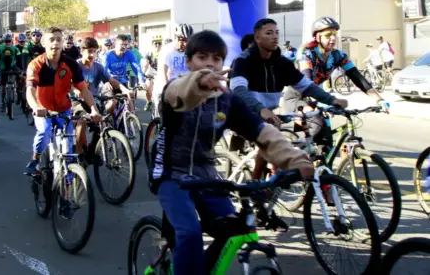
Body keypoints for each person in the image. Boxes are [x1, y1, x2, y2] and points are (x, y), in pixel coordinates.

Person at [150, 30, 314, 275]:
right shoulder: (176, 88)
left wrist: (296, 160)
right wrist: (200, 82)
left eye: (216, 59)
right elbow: (180, 92)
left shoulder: (227, 101)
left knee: (235, 229)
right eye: (202, 57)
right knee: (190, 233)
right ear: (188, 62)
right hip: (170, 175)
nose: (209, 63)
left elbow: (262, 132)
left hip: (206, 175)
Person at [230, 18, 348, 179]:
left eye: (277, 33)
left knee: (277, 142)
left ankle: (268, 180)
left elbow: (306, 85)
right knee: (267, 141)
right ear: (257, 37)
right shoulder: (243, 61)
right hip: (243, 111)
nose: (275, 37)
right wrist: (261, 109)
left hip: (268, 113)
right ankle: (255, 184)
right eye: (269, 33)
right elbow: (239, 90)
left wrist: (331, 100)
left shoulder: (282, 62)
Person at [283, 17, 388, 145]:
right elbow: (308, 84)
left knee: (326, 143)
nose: (332, 38)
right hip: (297, 98)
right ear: (317, 37)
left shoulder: (338, 55)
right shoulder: (307, 55)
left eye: (334, 35)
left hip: (317, 97)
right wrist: (325, 103)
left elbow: (358, 78)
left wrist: (379, 99)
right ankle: (293, 157)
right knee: (315, 129)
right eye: (328, 35)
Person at [24, 27, 102, 174]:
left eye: (59, 39)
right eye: (51, 40)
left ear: (63, 42)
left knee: (68, 150)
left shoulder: (71, 64)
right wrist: (35, 107)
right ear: (44, 43)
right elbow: (30, 89)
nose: (55, 43)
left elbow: (83, 89)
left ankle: (68, 184)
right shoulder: (36, 65)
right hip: (43, 109)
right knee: (45, 131)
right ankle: (35, 160)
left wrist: (93, 109)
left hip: (64, 109)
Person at [71, 37, 131, 163]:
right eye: (89, 51)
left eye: (95, 51)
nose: (92, 54)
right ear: (82, 50)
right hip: (78, 101)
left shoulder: (98, 67)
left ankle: (93, 151)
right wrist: (77, 92)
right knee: (82, 120)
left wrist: (125, 90)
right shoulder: (76, 65)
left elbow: (112, 81)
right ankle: (79, 152)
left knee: (101, 123)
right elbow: (69, 84)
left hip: (92, 100)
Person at [152, 24, 194, 112]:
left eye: (188, 40)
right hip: (165, 86)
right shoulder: (167, 51)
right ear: (175, 38)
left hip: (181, 88)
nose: (185, 43)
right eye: (182, 40)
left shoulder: (190, 50)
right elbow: (163, 72)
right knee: (167, 118)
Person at [102, 34, 146, 112]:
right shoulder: (108, 55)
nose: (124, 47)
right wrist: (105, 81)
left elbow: (136, 67)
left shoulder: (128, 53)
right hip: (110, 82)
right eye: (121, 45)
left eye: (125, 45)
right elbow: (103, 70)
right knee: (113, 103)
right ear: (115, 44)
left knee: (130, 99)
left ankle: (130, 118)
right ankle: (102, 118)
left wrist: (141, 81)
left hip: (122, 82)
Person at [0, 33, 21, 112]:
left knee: (21, 76)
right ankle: (3, 102)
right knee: (3, 86)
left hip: (12, 66)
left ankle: (18, 92)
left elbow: (19, 58)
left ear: (11, 41)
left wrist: (20, 68)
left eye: (9, 41)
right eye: (6, 41)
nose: (8, 43)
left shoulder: (15, 48)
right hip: (3, 67)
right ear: (3, 41)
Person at [142, 35, 163, 111]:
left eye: (159, 43)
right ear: (152, 44)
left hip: (160, 74)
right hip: (151, 74)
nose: (157, 45)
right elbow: (146, 65)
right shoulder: (149, 53)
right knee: (149, 91)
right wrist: (142, 74)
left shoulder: (164, 52)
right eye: (155, 43)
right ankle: (149, 101)